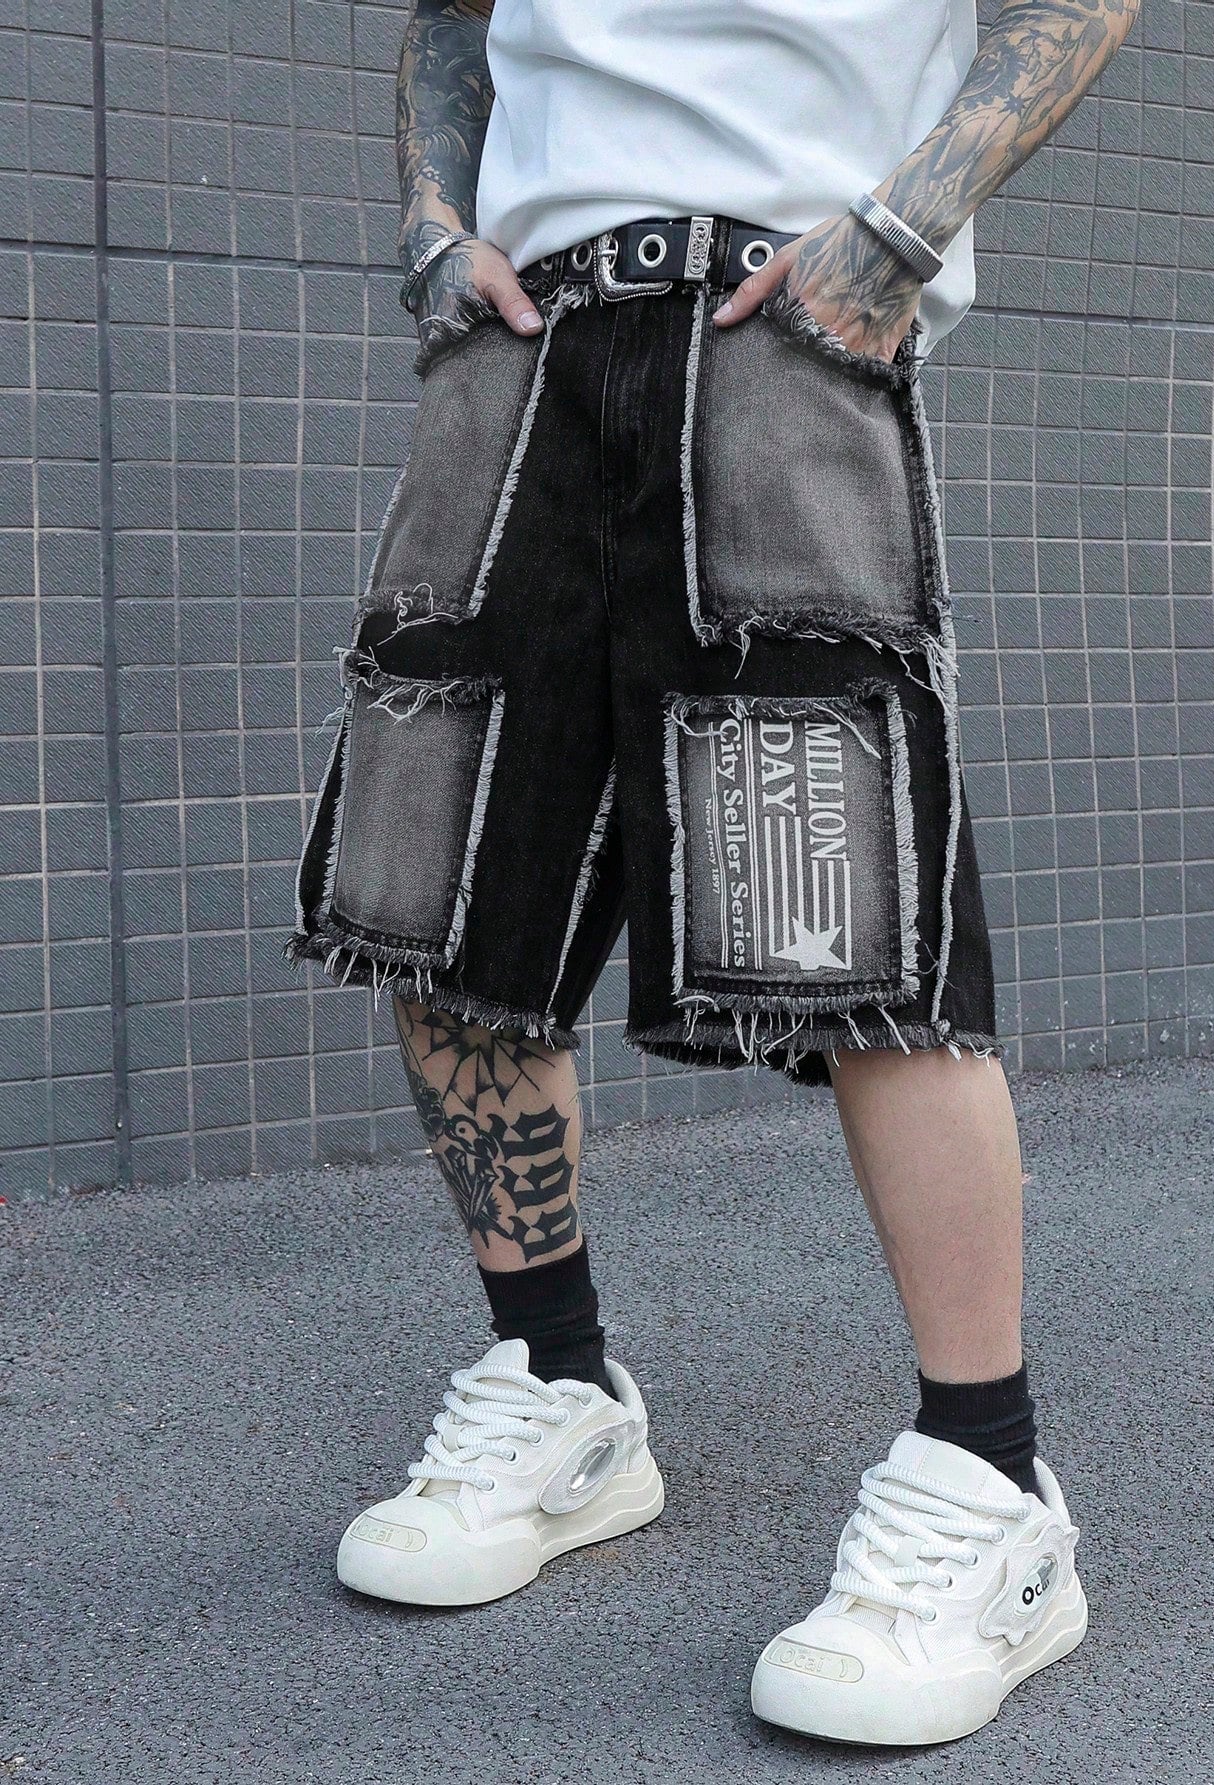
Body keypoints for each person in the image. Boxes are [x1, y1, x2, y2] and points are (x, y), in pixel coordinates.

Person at [288, 0, 1140, 1747]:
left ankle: (990, 1482)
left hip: (783, 322)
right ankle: (559, 1384)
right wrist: (434, 232)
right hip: (518, 346)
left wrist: (900, 231)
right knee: (439, 897)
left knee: (855, 928)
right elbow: (451, 18)